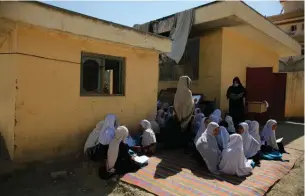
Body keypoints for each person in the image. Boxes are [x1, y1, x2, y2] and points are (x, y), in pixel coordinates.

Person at [163, 76, 194, 150]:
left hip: (177, 116)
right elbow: (189, 105)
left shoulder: (177, 92)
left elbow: (176, 104)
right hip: (186, 116)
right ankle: (184, 145)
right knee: (186, 131)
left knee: (178, 130)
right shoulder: (188, 92)